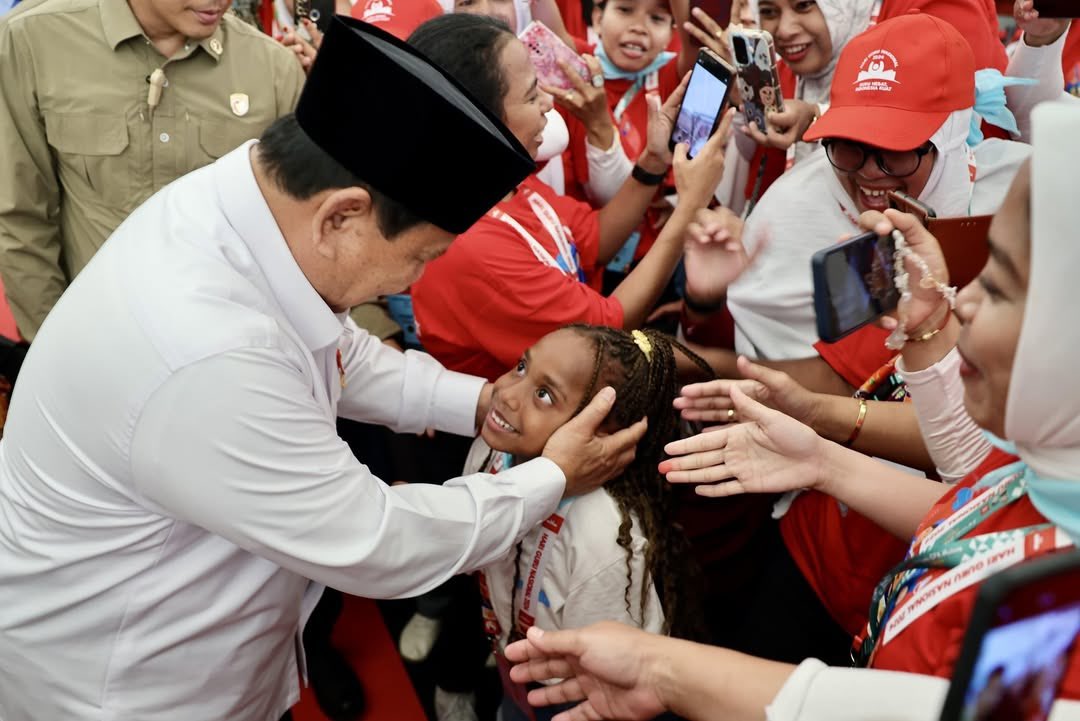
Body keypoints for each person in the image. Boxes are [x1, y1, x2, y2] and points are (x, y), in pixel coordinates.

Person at [0, 18, 648, 721]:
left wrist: (482, 399)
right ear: (342, 217)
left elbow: (336, 351)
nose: (410, 283)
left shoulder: (244, 202)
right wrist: (552, 476)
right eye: (422, 257)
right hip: (132, 688)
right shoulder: (211, 355)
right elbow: (376, 540)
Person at [503, 100, 1080, 721]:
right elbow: (975, 495)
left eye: (997, 286)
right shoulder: (1053, 481)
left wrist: (664, 670)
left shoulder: (1061, 626)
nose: (962, 303)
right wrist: (825, 463)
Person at [409, 13, 730, 382]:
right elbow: (608, 332)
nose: (549, 102)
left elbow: (593, 239)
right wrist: (689, 207)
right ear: (481, 119)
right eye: (532, 95)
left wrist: (653, 162)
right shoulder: (472, 245)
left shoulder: (501, 184)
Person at [0, 0, 306, 342]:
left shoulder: (275, 70)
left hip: (230, 356)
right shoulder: (33, 39)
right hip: (95, 344)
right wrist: (56, 347)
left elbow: (309, 236)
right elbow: (21, 215)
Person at [462, 325, 712, 720]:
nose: (506, 392)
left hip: (574, 694)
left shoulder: (603, 542)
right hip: (512, 652)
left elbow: (613, 676)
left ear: (601, 430)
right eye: (521, 366)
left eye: (544, 395)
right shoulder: (495, 450)